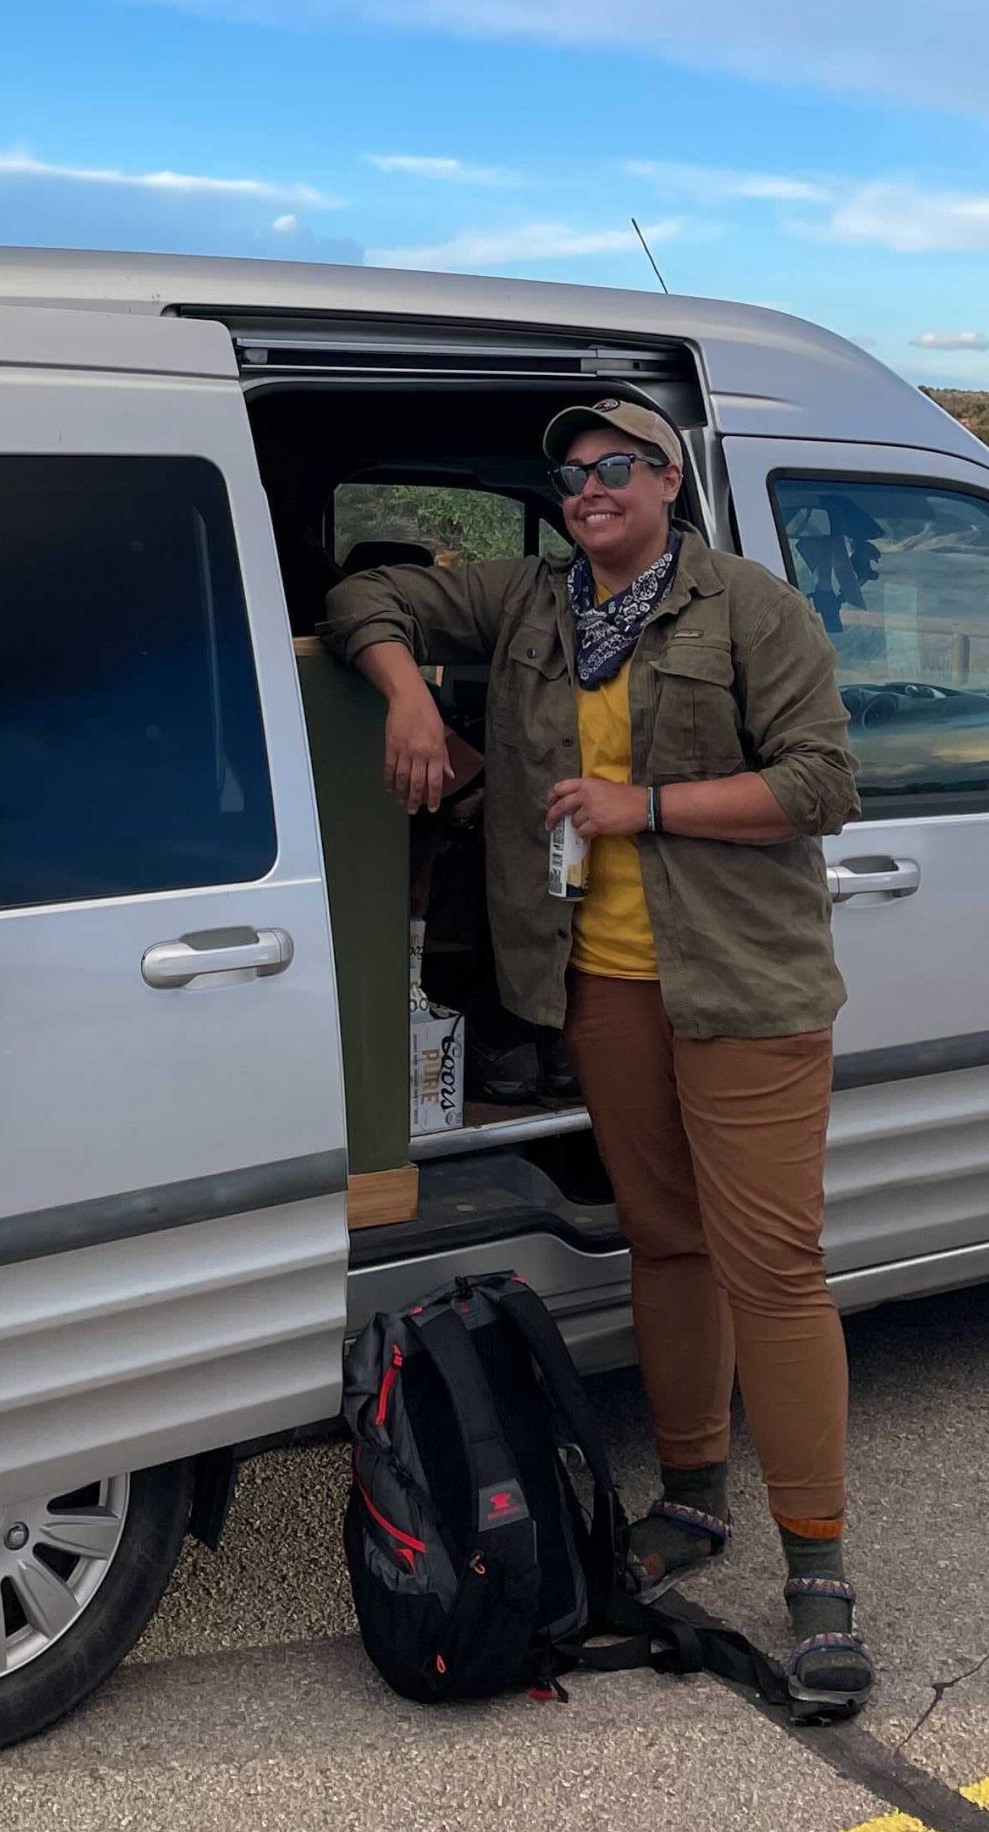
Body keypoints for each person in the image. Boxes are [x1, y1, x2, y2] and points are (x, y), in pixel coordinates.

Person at [321, 398, 870, 1704]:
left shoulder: (749, 609)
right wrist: (405, 697)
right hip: (601, 984)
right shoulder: (532, 602)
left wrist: (649, 807)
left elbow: (822, 785)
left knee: (774, 1265)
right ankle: (690, 1498)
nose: (589, 486)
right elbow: (364, 602)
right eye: (570, 472)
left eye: (617, 465)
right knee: (665, 1238)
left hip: (744, 985)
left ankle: (820, 1571)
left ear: (672, 481)